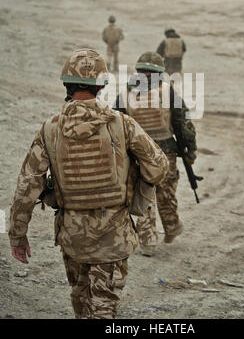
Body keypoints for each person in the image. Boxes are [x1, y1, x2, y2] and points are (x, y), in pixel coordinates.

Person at [8, 48, 169, 319]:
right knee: (104, 307)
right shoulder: (123, 125)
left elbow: (27, 186)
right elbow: (159, 167)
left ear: (66, 84)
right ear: (103, 85)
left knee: (81, 302)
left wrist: (17, 235)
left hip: (73, 236)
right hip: (113, 235)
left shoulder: (49, 129)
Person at [114, 52, 197, 257]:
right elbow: (183, 124)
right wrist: (190, 149)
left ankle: (148, 239)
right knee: (166, 192)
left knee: (143, 194)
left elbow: (115, 125)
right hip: (164, 152)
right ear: (161, 72)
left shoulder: (124, 93)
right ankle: (171, 226)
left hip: (136, 153)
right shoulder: (169, 93)